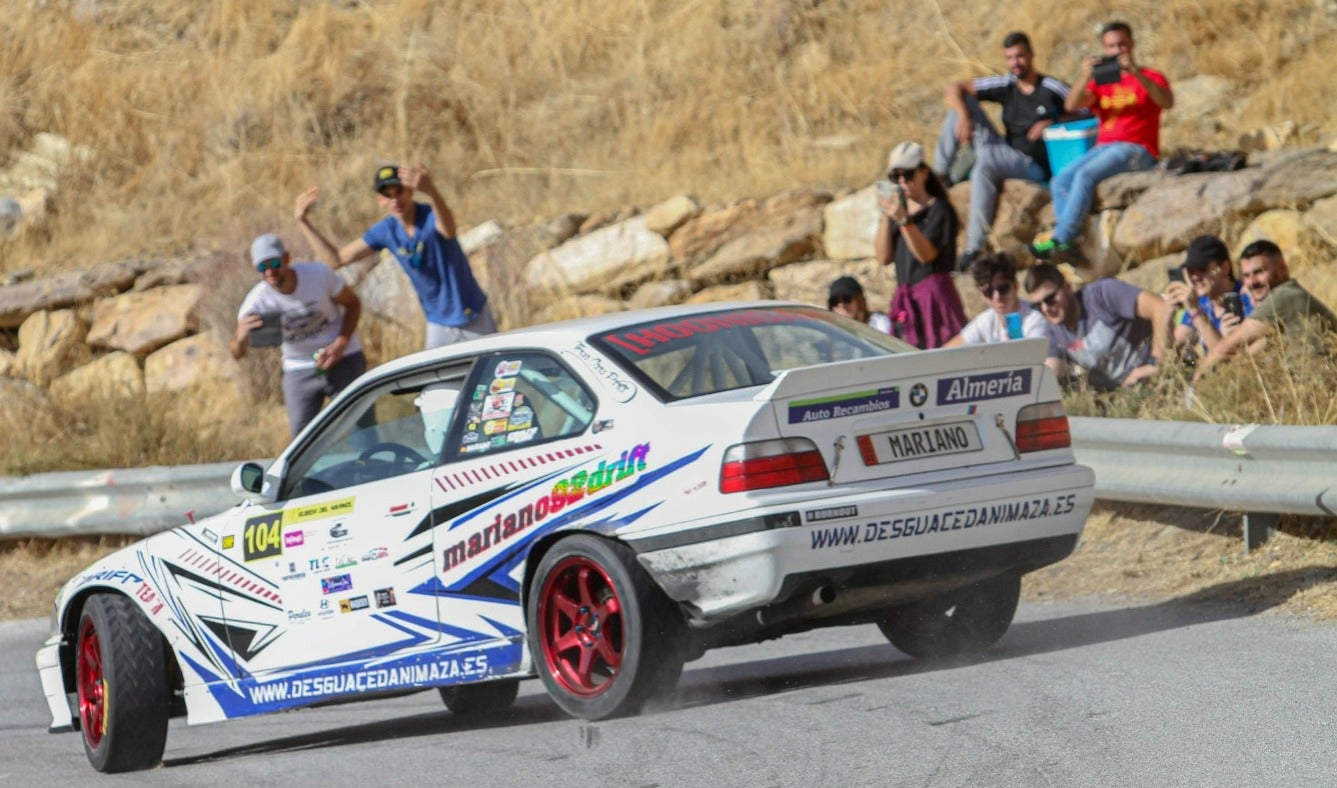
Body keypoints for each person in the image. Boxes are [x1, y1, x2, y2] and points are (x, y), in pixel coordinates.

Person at [296, 164, 495, 351]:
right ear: (379, 199)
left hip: (472, 314)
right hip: (437, 322)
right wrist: (303, 222)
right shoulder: (386, 231)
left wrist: (431, 190)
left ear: (410, 191)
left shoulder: (429, 215)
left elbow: (449, 230)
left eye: (399, 192)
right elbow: (336, 260)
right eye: (387, 195)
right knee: (437, 386)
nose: (395, 201)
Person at [1030, 21, 1173, 260]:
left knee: (1086, 176)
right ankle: (1069, 237)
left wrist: (1136, 71)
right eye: (1110, 46)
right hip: (1104, 146)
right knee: (1060, 180)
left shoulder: (1150, 76)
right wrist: (1084, 76)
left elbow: (1166, 102)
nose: (1116, 51)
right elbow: (1072, 105)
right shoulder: (1103, 80)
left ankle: (1062, 238)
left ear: (1132, 45)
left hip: (1137, 148)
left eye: (1121, 45)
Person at [935, 31, 1074, 270]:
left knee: (984, 165)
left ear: (1031, 55)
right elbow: (954, 89)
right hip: (1007, 150)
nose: (1015, 63)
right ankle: (939, 174)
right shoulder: (1007, 84)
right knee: (961, 106)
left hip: (1034, 165)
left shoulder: (1051, 87)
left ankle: (973, 246)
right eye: (1009, 58)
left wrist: (1054, 121)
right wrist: (965, 116)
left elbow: (1086, 109)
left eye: (1019, 56)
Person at [230, 233, 366, 438]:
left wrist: (341, 343)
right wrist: (240, 337)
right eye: (262, 267)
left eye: (274, 263)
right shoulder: (256, 302)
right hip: (298, 367)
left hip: (343, 356)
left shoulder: (319, 275)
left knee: (362, 431)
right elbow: (237, 353)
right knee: (302, 440)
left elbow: (353, 304)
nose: (269, 272)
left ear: (287, 258)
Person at [1193, 240, 1337, 382]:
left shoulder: (1285, 295)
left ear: (1282, 268)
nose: (1252, 282)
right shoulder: (1282, 303)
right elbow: (1245, 361)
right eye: (1247, 276)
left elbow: (1226, 349)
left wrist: (1195, 386)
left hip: (1319, 389)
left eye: (1259, 272)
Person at [875, 141, 967, 349]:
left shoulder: (939, 210)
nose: (901, 182)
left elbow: (926, 255)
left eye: (907, 175)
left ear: (923, 172)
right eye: (895, 177)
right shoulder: (897, 214)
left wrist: (905, 221)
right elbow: (882, 257)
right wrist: (886, 215)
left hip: (934, 298)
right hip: (906, 299)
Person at [1024, 262, 1169, 390]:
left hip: (1161, 379)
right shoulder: (1053, 332)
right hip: (1125, 397)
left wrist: (1154, 364)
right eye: (1037, 306)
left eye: (1050, 299)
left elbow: (1161, 308)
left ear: (1067, 287)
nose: (1045, 309)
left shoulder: (1102, 294)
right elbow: (1052, 370)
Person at [1164, 235, 1253, 357]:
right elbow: (1173, 352)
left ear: (1225, 268)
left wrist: (1196, 311)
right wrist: (1168, 317)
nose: (1195, 277)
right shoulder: (1202, 302)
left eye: (1202, 269)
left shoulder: (1248, 298)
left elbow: (1229, 358)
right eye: (1190, 271)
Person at [944, 252, 1048, 346]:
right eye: (988, 291)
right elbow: (947, 353)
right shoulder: (985, 321)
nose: (996, 296)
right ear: (982, 295)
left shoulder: (1035, 317)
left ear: (1016, 286)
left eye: (1002, 288)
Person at [827, 275, 892, 333]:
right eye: (834, 302)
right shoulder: (833, 334)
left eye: (847, 299)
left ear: (860, 299)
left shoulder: (881, 325)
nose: (842, 306)